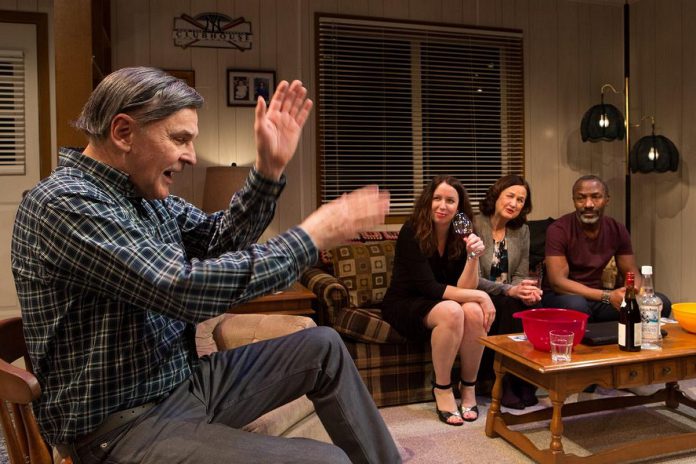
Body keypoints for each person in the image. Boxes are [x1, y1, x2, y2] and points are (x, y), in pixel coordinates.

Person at [11, 67, 401, 464]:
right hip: (120, 428)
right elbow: (180, 288)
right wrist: (309, 238)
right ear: (123, 132)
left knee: (323, 345)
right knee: (326, 461)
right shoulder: (64, 203)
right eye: (180, 138)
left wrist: (268, 171)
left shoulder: (145, 196)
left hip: (184, 386)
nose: (192, 156)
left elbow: (218, 239)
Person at [381, 175, 495, 425]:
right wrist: (482, 295)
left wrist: (473, 257)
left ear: (459, 207)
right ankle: (442, 388)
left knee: (474, 312)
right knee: (453, 311)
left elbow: (464, 287)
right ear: (428, 201)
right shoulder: (411, 230)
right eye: (437, 198)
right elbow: (429, 287)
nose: (442, 206)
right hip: (406, 302)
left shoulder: (462, 232)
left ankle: (468, 387)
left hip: (441, 301)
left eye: (450, 201)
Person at [542, 174, 671, 321]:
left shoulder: (617, 229)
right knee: (577, 306)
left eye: (596, 197)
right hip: (564, 297)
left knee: (661, 303)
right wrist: (608, 296)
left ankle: (631, 341)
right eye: (581, 198)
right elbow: (558, 282)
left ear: (606, 200)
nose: (588, 204)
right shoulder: (558, 229)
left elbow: (631, 271)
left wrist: (632, 295)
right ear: (574, 201)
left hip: (600, 299)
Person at [474, 175, 542, 409]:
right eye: (510, 196)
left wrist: (526, 289)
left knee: (533, 306)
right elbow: (471, 279)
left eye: (521, 200)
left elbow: (521, 273)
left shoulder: (521, 230)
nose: (514, 203)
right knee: (509, 305)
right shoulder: (475, 225)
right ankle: (502, 382)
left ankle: (524, 380)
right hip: (478, 291)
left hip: (508, 292)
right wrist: (510, 290)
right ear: (496, 196)